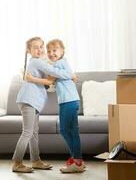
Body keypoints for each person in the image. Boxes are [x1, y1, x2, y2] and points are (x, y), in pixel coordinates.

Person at [12, 37, 75, 173]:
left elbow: (49, 80)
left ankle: (36, 161)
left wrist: (47, 79)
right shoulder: (36, 62)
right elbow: (54, 74)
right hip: (28, 100)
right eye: (35, 47)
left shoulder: (38, 61)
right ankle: (17, 163)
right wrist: (70, 74)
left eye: (41, 46)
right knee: (27, 132)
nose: (40, 49)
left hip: (33, 101)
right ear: (29, 51)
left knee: (33, 133)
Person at [26, 39, 85, 173]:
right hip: (71, 100)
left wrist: (69, 75)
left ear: (62, 51)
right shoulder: (60, 64)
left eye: (55, 50)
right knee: (73, 131)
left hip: (68, 101)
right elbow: (53, 82)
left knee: (65, 130)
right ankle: (78, 160)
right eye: (49, 51)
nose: (51, 53)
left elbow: (55, 75)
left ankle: (76, 160)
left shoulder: (60, 63)